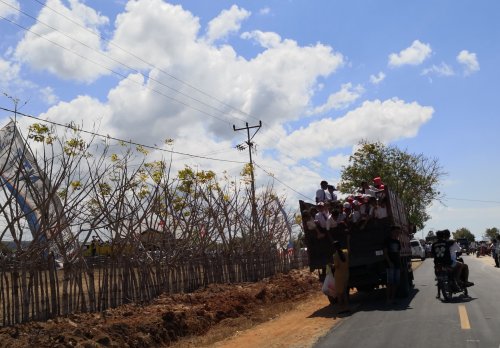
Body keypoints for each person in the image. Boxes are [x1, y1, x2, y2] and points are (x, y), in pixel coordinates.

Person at [384, 225, 402, 304]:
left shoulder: (397, 242)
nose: (397, 233)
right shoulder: (387, 241)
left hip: (397, 264)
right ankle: (388, 299)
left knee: (396, 282)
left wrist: (400, 263)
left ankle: (393, 298)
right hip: (390, 265)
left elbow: (398, 253)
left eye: (398, 232)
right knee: (390, 282)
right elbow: (385, 253)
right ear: (392, 232)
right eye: (396, 232)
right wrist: (389, 262)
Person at [332, 240, 349, 313]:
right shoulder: (346, 252)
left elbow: (337, 266)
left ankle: (341, 308)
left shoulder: (335, 255)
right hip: (346, 274)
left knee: (339, 293)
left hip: (339, 276)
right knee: (345, 292)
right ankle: (346, 307)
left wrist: (331, 265)